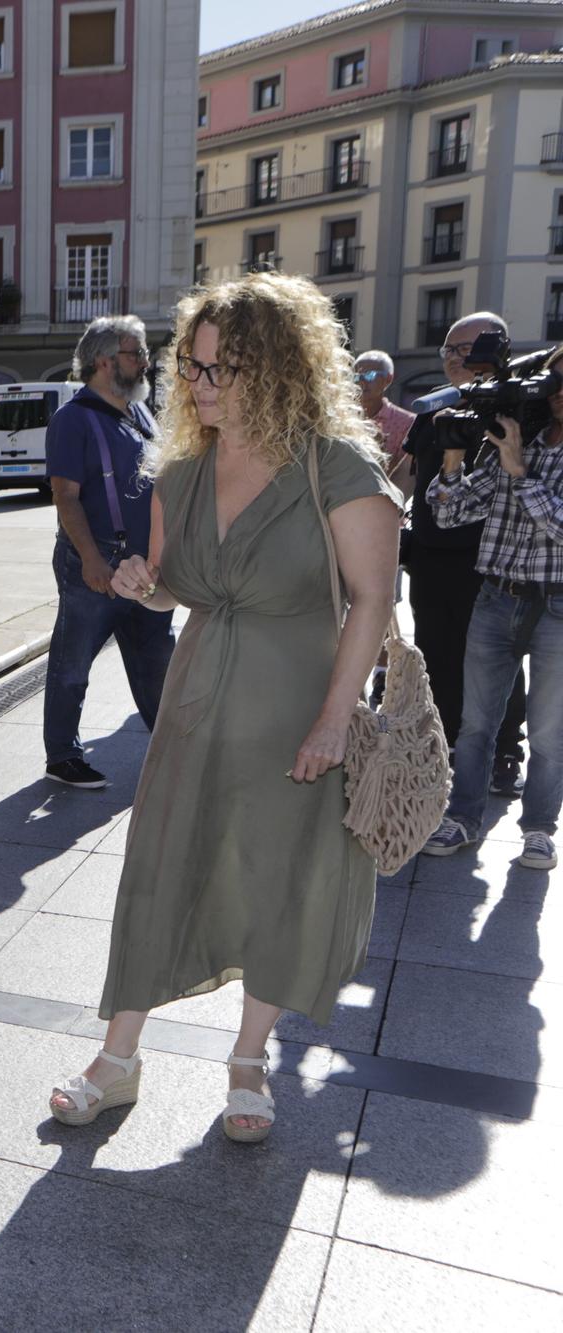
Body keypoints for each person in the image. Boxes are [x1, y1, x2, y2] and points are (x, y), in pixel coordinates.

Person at [48, 273, 401, 1143]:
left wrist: (331, 717)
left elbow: (373, 600)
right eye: (193, 368)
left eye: (220, 370)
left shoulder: (339, 467)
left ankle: (249, 1060)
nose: (198, 387)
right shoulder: (180, 472)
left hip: (296, 705)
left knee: (279, 877)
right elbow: (172, 588)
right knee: (165, 862)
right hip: (198, 698)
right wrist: (143, 583)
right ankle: (119, 1056)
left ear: (275, 368)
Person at [420, 345, 563, 869]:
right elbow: (450, 513)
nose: (561, 392)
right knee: (476, 723)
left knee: (549, 732)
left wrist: (520, 472)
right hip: (496, 596)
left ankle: (539, 829)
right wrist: (455, 457)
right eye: (556, 381)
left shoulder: (517, 453)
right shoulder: (516, 439)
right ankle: (463, 817)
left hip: (557, 607)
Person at [41, 314, 177, 790]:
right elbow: (66, 497)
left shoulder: (140, 413)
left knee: (159, 661)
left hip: (145, 570)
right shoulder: (72, 419)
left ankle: (176, 749)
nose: (145, 363)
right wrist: (93, 561)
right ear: (104, 361)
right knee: (72, 664)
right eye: (136, 353)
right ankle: (62, 756)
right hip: (94, 565)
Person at [402, 313, 528, 794]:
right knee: (437, 652)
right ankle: (448, 744)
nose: (455, 359)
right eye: (448, 351)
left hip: (492, 561)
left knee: (497, 662)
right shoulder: (434, 408)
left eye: (465, 350)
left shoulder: (516, 408)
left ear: (495, 351)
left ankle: (504, 752)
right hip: (431, 558)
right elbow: (411, 473)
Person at [355, 350, 415, 499]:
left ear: (388, 379)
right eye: (356, 376)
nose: (362, 382)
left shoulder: (408, 422)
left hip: (388, 501)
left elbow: (407, 472)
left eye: (370, 375)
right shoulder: (342, 420)